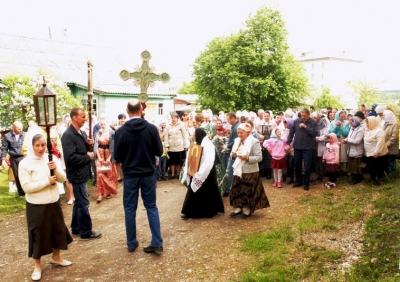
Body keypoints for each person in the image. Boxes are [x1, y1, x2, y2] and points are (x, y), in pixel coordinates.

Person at [18, 134, 72, 281]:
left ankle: (56, 257)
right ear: (32, 146)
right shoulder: (25, 164)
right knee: (38, 234)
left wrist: (56, 170)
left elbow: (61, 179)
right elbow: (27, 187)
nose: (41, 148)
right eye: (37, 145)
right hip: (36, 205)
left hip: (53, 201)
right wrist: (46, 181)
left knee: (57, 229)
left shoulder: (51, 158)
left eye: (43, 145)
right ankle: (37, 266)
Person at [114, 99, 164, 254]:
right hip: (148, 173)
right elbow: (159, 151)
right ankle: (157, 241)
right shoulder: (151, 129)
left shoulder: (121, 131)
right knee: (151, 206)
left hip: (130, 174)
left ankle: (131, 242)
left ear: (128, 111)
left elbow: (118, 155)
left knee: (129, 208)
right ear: (141, 110)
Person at [61, 108, 101, 240]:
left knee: (79, 202)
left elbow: (81, 147)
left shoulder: (81, 133)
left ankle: (77, 227)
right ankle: (85, 231)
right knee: (83, 203)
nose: (85, 119)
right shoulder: (68, 135)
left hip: (82, 173)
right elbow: (70, 157)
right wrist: (87, 157)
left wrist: (87, 143)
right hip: (76, 174)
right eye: (82, 117)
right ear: (74, 118)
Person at [180, 128, 225, 219]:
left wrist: (201, 173)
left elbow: (209, 160)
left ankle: (209, 211)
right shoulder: (196, 144)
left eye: (195, 135)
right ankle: (190, 212)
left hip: (207, 172)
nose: (193, 137)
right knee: (194, 190)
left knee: (208, 191)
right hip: (196, 170)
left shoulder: (208, 145)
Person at [229, 123, 270, 218]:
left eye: (241, 133)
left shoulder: (254, 141)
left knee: (248, 191)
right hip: (238, 169)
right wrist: (233, 155)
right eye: (238, 133)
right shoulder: (237, 141)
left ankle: (247, 209)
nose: (239, 135)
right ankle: (238, 207)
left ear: (248, 132)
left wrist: (247, 158)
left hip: (250, 171)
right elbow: (233, 152)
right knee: (237, 189)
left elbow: (259, 157)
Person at [286, 108, 318, 191]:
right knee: (297, 165)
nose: (303, 117)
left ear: (308, 114)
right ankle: (298, 181)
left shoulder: (313, 122)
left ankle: (306, 183)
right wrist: (288, 143)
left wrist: (305, 127)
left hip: (308, 148)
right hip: (297, 147)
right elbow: (291, 133)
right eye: (302, 115)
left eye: (305, 115)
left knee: (307, 167)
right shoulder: (296, 121)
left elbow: (315, 133)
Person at [93, 118, 117, 203]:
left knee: (108, 173)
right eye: (101, 124)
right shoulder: (97, 133)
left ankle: (108, 192)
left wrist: (109, 157)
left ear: (107, 123)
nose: (102, 125)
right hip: (100, 152)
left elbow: (113, 146)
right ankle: (100, 193)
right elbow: (96, 145)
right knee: (99, 173)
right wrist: (99, 157)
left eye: (104, 124)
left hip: (108, 153)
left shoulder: (111, 132)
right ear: (99, 124)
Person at [1, 121, 25, 196]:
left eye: (21, 128)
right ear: (13, 128)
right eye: (18, 129)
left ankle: (27, 190)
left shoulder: (25, 134)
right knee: (16, 175)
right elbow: (4, 148)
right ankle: (21, 192)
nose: (20, 130)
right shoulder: (7, 136)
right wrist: (3, 159)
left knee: (24, 174)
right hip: (13, 158)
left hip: (23, 157)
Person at [364, 116, 388, 186]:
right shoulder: (368, 129)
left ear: (372, 122)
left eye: (368, 123)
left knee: (378, 167)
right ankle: (373, 178)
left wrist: (377, 151)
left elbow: (380, 142)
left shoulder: (379, 131)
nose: (367, 124)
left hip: (377, 154)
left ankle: (378, 179)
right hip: (369, 152)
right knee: (371, 166)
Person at [164, 112, 189, 179]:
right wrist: (166, 146)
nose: (173, 119)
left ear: (177, 118)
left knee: (178, 161)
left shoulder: (181, 125)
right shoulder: (168, 125)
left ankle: (178, 174)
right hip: (171, 145)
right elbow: (166, 136)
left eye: (174, 118)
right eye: (172, 118)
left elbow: (184, 135)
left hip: (179, 145)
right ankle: (172, 174)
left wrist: (185, 145)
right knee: (172, 161)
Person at [221, 112, 240, 196]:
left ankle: (227, 189)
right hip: (233, 151)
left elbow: (235, 141)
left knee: (229, 171)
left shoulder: (236, 127)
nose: (227, 121)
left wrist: (226, 146)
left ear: (233, 118)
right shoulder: (235, 126)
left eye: (228, 119)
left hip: (234, 152)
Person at [382, 110, 399, 174]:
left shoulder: (395, 124)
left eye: (384, 115)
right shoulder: (386, 123)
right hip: (385, 145)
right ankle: (387, 173)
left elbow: (394, 137)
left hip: (391, 146)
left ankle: (391, 174)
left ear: (388, 116)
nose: (383, 116)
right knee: (387, 160)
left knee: (391, 159)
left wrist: (387, 144)